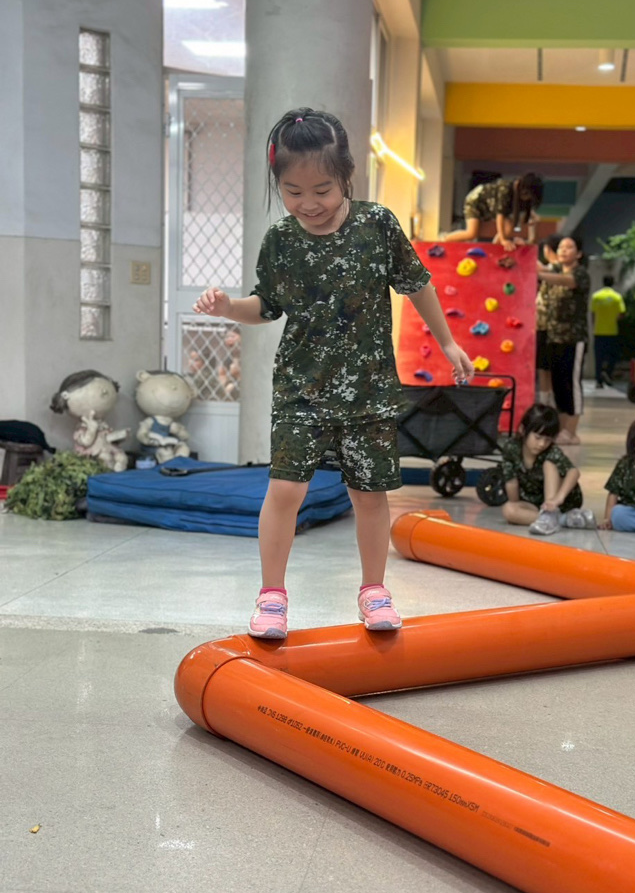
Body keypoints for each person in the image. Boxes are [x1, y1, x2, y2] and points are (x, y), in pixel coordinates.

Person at [192, 107, 474, 640]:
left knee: (369, 494)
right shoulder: (281, 239)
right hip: (300, 390)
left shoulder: (377, 224)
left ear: (347, 175)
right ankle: (272, 596)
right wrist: (230, 307)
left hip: (369, 390)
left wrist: (448, 342)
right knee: (285, 490)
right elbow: (266, 305)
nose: (309, 203)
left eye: (322, 189)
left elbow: (417, 284)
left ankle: (374, 591)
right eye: (293, 191)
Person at [500, 404, 595, 536]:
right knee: (509, 510)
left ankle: (550, 514)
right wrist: (517, 506)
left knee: (549, 464)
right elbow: (511, 482)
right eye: (538, 437)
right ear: (523, 430)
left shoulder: (551, 451)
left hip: (561, 500)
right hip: (534, 501)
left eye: (548, 440)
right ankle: (562, 519)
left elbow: (573, 472)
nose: (542, 444)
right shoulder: (511, 447)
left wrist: (557, 499)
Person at [537, 235, 590, 445]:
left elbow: (567, 281)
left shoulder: (580, 273)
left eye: (569, 247)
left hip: (574, 338)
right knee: (558, 384)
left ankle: (572, 430)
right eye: (561, 247)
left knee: (571, 383)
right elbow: (543, 269)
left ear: (579, 253)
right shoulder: (554, 272)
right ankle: (561, 428)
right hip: (554, 337)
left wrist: (541, 274)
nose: (564, 250)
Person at [443, 173, 544, 249]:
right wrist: (503, 240)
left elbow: (531, 220)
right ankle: (444, 239)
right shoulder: (506, 189)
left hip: (490, 207)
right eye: (527, 195)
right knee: (472, 233)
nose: (527, 199)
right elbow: (500, 216)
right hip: (476, 201)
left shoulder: (524, 199)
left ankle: (494, 247)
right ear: (523, 190)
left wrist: (530, 240)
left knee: (508, 228)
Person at [535, 235, 559, 407]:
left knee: (546, 368)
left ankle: (547, 403)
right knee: (545, 368)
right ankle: (547, 402)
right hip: (544, 325)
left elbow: (535, 265)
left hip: (547, 326)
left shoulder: (554, 269)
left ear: (548, 249)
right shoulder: (555, 269)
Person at [590, 275, 625, 388]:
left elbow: (593, 314)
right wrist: (614, 319)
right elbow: (622, 313)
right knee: (612, 356)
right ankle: (608, 373)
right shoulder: (617, 297)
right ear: (613, 283)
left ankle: (598, 381)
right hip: (612, 331)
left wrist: (594, 326)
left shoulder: (596, 296)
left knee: (598, 357)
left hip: (599, 331)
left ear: (603, 282)